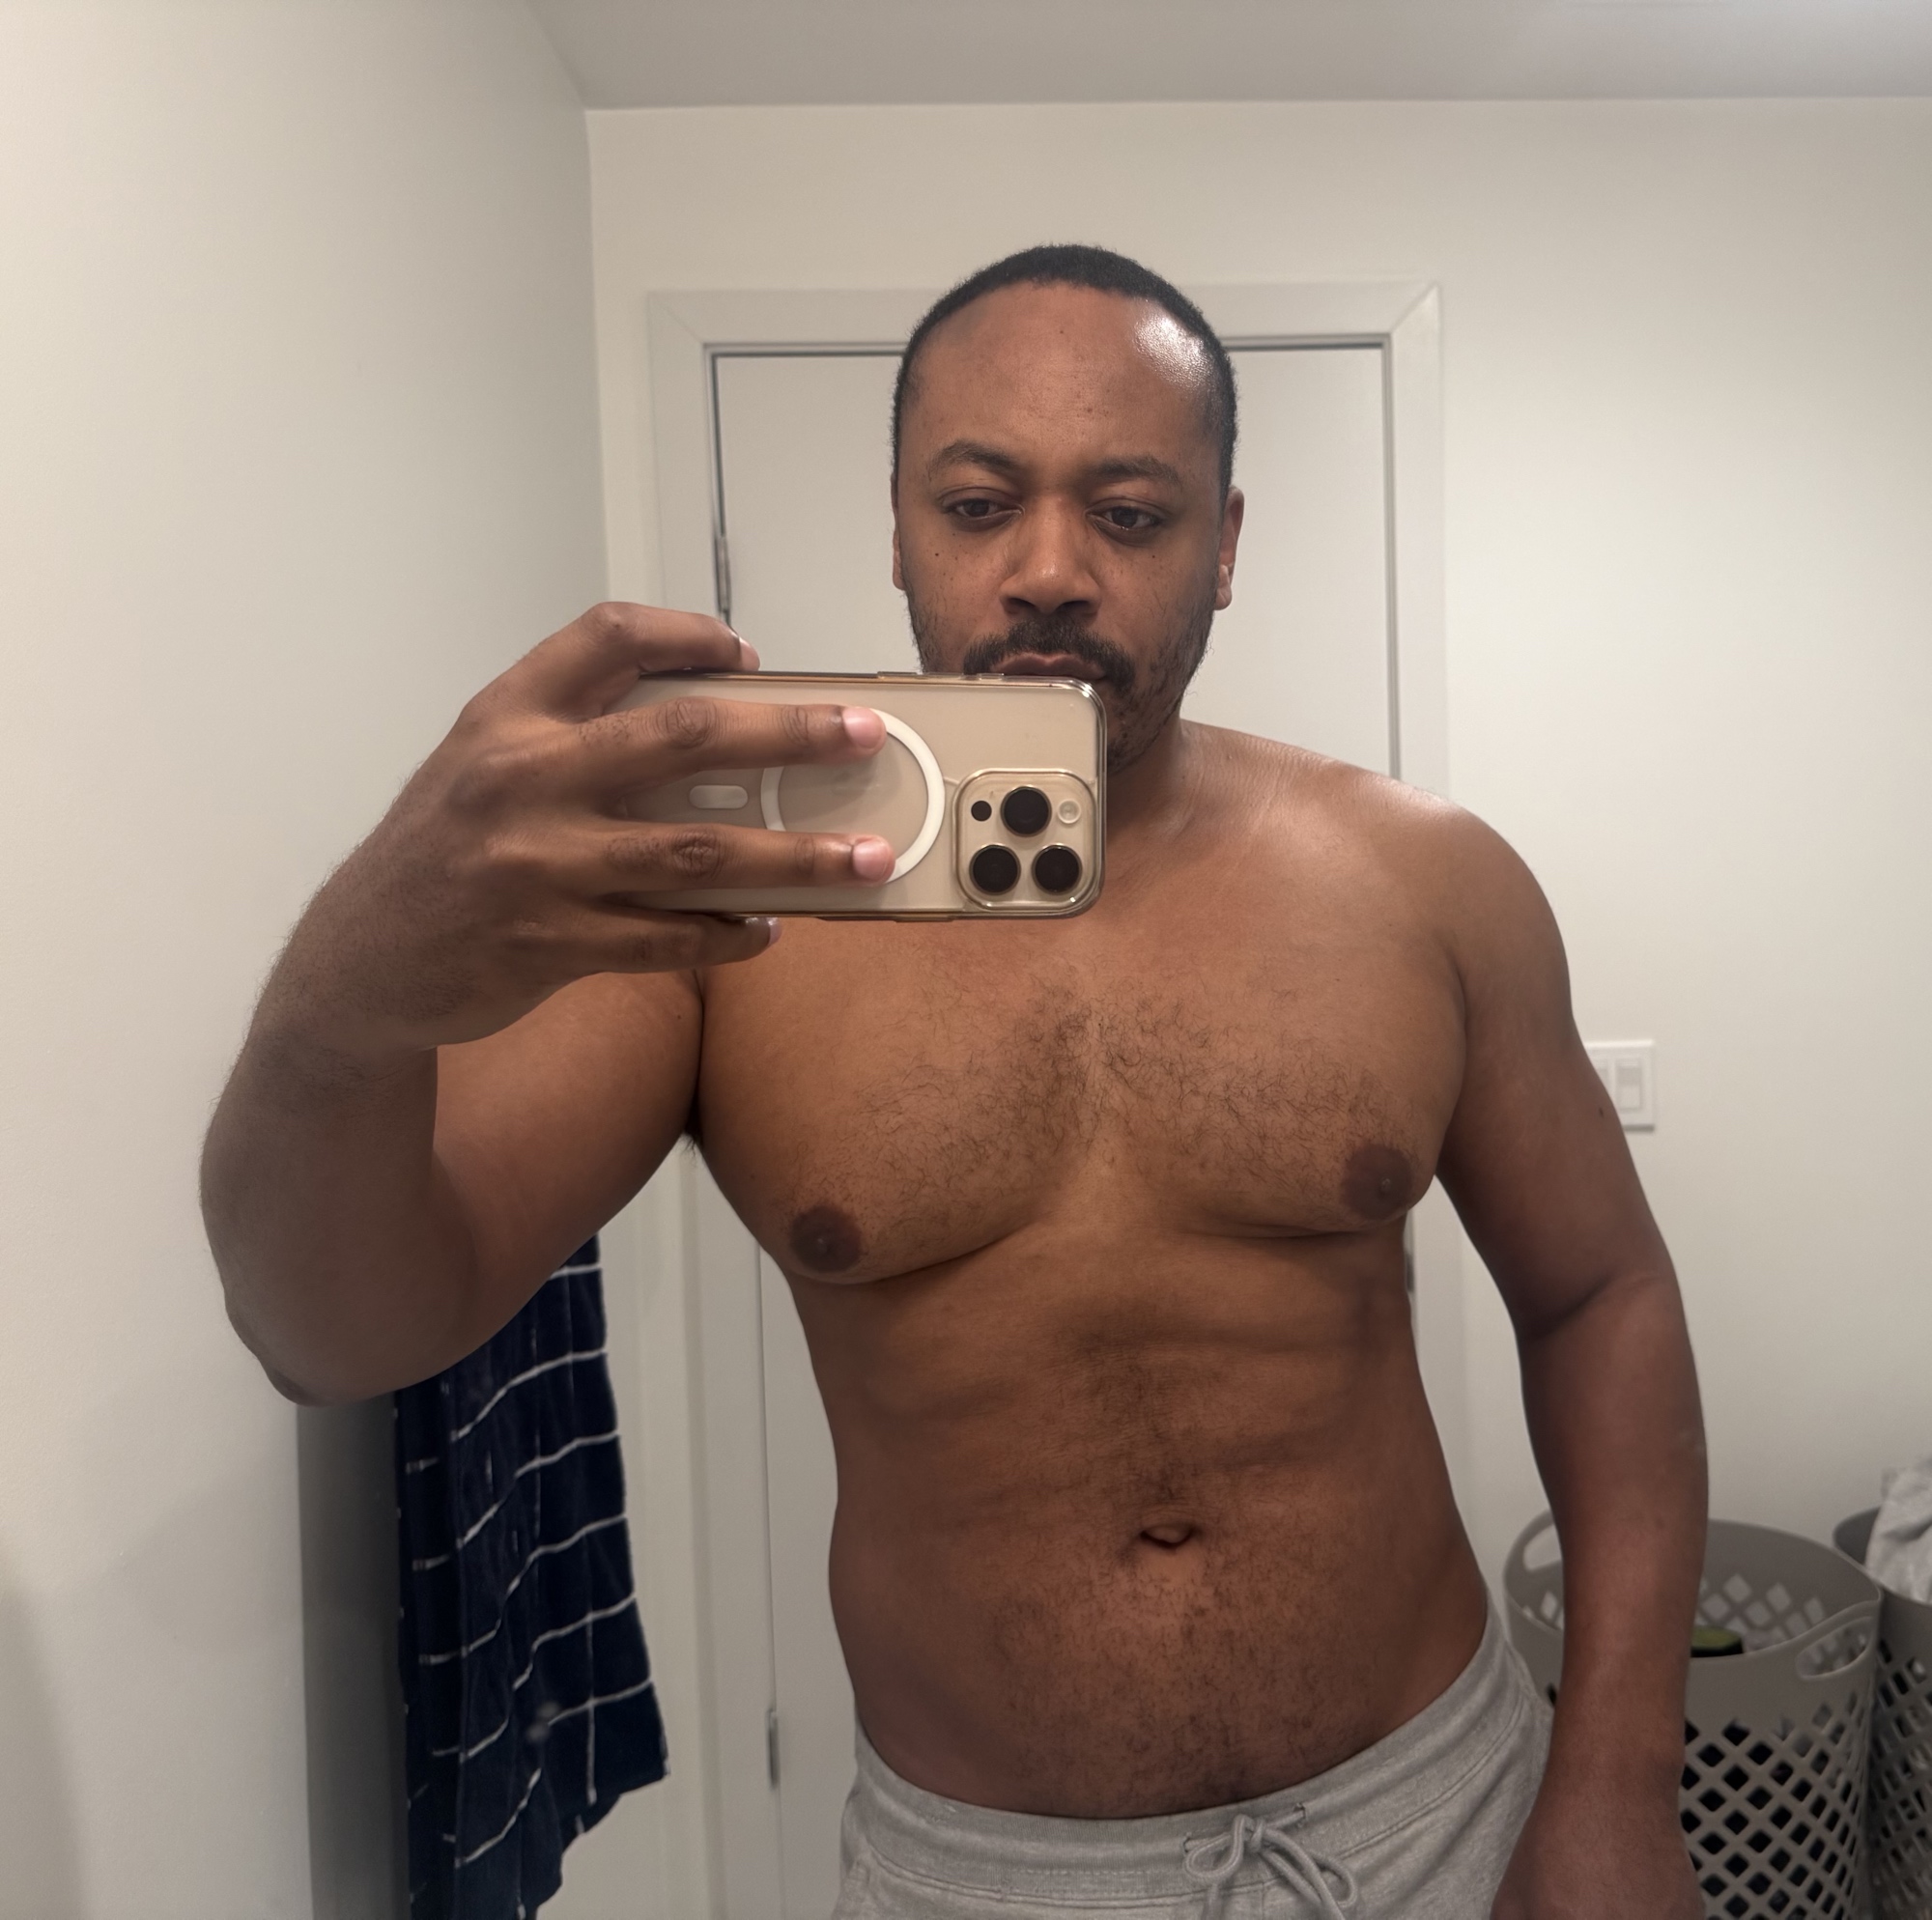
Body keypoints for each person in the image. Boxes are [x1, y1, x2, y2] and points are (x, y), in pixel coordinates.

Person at [203, 245, 1707, 1917]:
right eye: (980, 505)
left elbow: (1602, 1296)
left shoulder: (1426, 883)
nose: (1049, 571)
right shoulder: (720, 918)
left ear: (1222, 547)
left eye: (1128, 512)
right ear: (901, 529)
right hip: (983, 1879)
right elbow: (332, 1334)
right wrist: (344, 1001)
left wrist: (1618, 1782)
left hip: (1436, 1819)